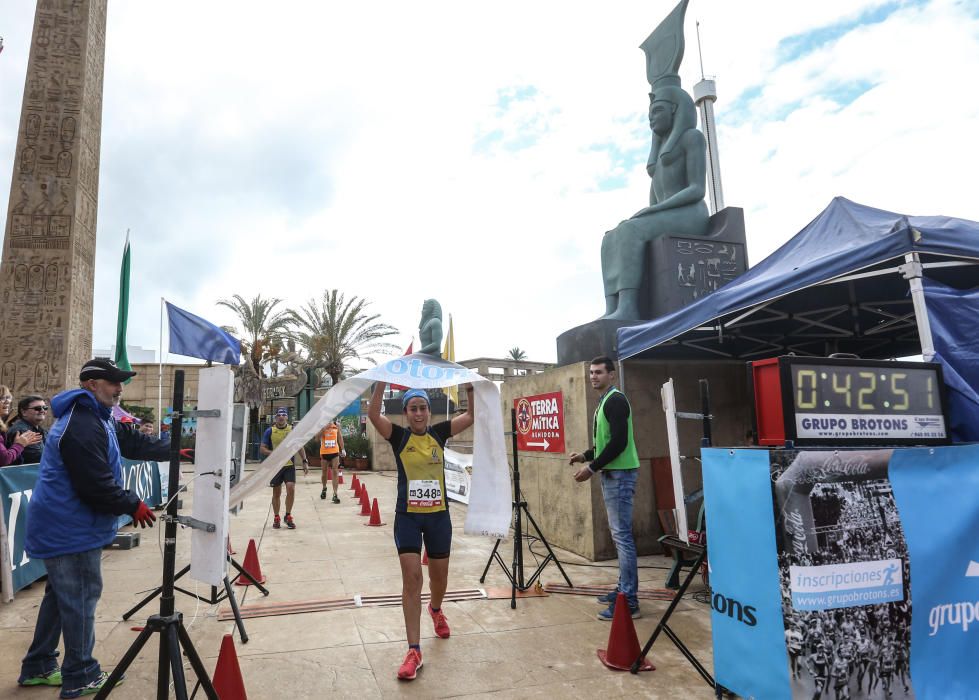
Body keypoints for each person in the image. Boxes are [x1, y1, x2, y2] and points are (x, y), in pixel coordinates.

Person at [18, 359, 170, 697]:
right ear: (90, 384)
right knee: (81, 598)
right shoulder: (81, 423)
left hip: (68, 523)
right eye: (112, 382)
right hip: (70, 527)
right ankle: (80, 674)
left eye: (121, 382)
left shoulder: (96, 417)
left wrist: (176, 450)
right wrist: (132, 504)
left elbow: (134, 444)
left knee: (61, 597)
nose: (119, 388)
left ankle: (39, 665)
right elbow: (95, 483)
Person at [368, 381, 474, 681]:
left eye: (423, 408)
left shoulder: (440, 433)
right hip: (409, 518)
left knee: (439, 577)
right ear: (405, 412)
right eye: (413, 408)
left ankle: (436, 609)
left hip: (439, 517)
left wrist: (469, 389)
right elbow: (375, 415)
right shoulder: (399, 437)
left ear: (429, 411)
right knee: (412, 579)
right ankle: (414, 650)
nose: (418, 413)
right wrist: (379, 384)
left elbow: (471, 415)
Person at [600, 86, 709, 319]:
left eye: (657, 111)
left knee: (630, 230)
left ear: (675, 111)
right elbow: (653, 202)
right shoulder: (660, 158)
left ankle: (629, 307)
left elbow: (697, 189)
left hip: (692, 215)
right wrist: (648, 213)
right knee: (610, 237)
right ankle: (613, 308)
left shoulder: (692, 138)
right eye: (650, 114)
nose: (652, 118)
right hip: (670, 215)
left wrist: (653, 211)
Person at [569, 356, 641, 620]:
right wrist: (586, 456)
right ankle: (623, 590)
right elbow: (606, 443)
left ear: (612, 375)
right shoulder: (605, 401)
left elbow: (620, 443)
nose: (593, 377)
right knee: (620, 536)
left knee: (622, 538)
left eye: (599, 372)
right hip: (614, 474)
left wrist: (591, 468)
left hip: (620, 475)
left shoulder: (616, 401)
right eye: (591, 372)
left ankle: (630, 601)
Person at [261, 407, 308, 529]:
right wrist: (273, 453)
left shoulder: (292, 430)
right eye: (279, 415)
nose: (281, 417)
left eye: (283, 415)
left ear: (287, 417)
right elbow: (262, 448)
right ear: (276, 417)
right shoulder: (269, 431)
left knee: (291, 488)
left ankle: (288, 515)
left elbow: (299, 446)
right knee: (276, 492)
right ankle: (276, 517)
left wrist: (304, 461)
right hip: (275, 467)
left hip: (289, 466)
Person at [5, 395, 49, 465]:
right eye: (37, 408)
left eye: (45, 408)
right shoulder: (21, 431)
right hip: (23, 474)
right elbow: (39, 457)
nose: (42, 410)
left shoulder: (42, 430)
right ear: (24, 412)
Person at [318, 419, 345, 503]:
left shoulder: (336, 425)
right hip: (324, 452)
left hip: (335, 452)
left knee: (335, 472)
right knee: (324, 472)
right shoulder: (321, 424)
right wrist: (324, 428)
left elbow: (340, 437)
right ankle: (324, 487)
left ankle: (335, 494)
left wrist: (343, 449)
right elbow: (316, 438)